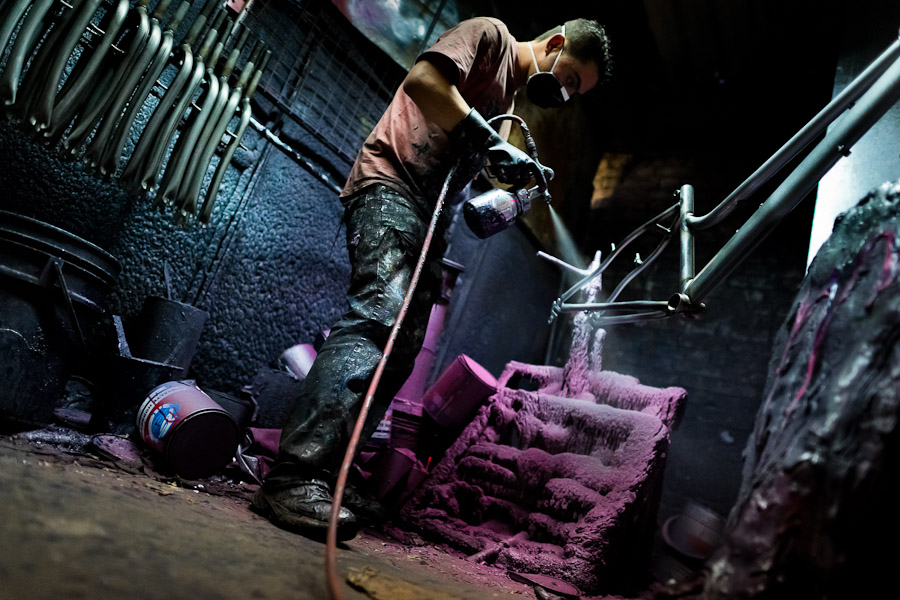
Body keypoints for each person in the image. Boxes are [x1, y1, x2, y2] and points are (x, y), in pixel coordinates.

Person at [251, 16, 613, 541]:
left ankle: (330, 473)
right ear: (556, 45)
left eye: (576, 92)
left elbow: (477, 179)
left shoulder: (508, 104)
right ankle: (293, 476)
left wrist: (517, 181)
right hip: (390, 184)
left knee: (402, 346)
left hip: (427, 218)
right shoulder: (489, 37)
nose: (565, 93)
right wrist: (482, 133)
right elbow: (424, 80)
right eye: (571, 78)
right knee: (378, 320)